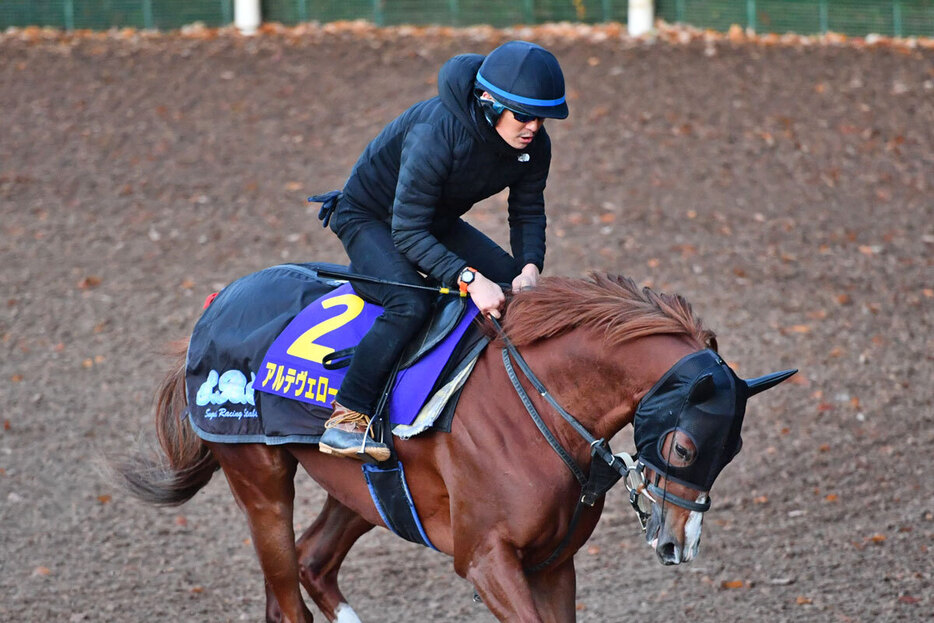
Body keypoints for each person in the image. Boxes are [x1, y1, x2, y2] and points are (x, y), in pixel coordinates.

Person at [313, 40, 568, 461]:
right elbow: (407, 232)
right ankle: (348, 417)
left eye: (541, 118)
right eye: (523, 116)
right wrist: (468, 278)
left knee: (515, 293)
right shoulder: (436, 133)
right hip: (371, 218)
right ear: (488, 101)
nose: (533, 128)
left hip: (432, 221)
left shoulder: (534, 146)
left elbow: (527, 212)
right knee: (410, 302)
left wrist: (528, 269)